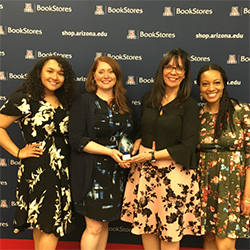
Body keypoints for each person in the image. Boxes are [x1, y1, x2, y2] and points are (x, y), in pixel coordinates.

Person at [121, 48, 201, 250]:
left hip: (175, 175)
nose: (173, 72)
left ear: (185, 74)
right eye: (169, 67)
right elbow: (144, 129)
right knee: (146, 228)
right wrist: (138, 141)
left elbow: (189, 145)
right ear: (162, 69)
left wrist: (152, 155)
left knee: (170, 234)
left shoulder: (189, 105)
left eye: (179, 68)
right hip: (145, 173)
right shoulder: (149, 98)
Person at [0, 55, 78, 250]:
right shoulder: (25, 98)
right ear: (39, 73)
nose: (55, 77)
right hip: (39, 169)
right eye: (50, 71)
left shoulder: (65, 100)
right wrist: (18, 152)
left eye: (61, 73)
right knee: (50, 225)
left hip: (62, 169)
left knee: (43, 225)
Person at [69, 56, 135, 250]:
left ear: (117, 76)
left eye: (111, 71)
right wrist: (109, 152)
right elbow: (76, 140)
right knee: (94, 227)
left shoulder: (124, 103)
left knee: (104, 223)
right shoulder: (84, 102)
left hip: (117, 173)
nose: (106, 76)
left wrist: (128, 155)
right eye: (101, 72)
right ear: (93, 76)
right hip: (92, 173)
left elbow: (133, 134)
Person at [196, 64, 250, 250]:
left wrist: (247, 196)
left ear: (224, 84)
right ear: (200, 87)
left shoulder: (240, 111)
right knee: (209, 239)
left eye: (216, 83)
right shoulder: (198, 116)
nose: (211, 88)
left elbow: (249, 156)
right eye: (205, 84)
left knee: (224, 245)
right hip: (204, 185)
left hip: (232, 187)